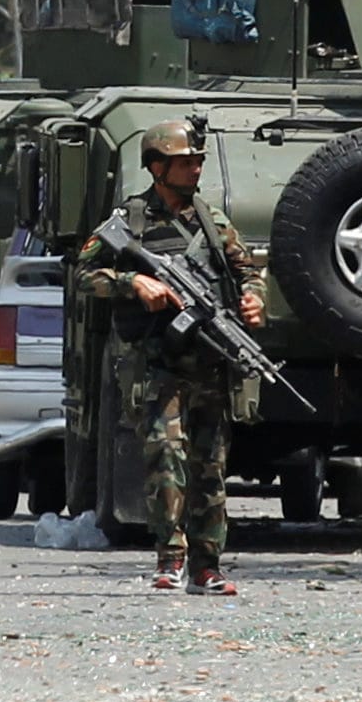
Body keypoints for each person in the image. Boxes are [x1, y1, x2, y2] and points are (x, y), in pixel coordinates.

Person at [74, 120, 266, 596]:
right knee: (164, 459)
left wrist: (254, 299)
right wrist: (132, 283)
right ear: (158, 167)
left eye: (199, 160)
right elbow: (82, 273)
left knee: (210, 466)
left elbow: (247, 272)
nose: (195, 168)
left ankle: (208, 564)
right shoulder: (131, 222)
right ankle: (170, 558)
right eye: (185, 161)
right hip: (156, 363)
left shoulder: (212, 221)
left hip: (208, 363)